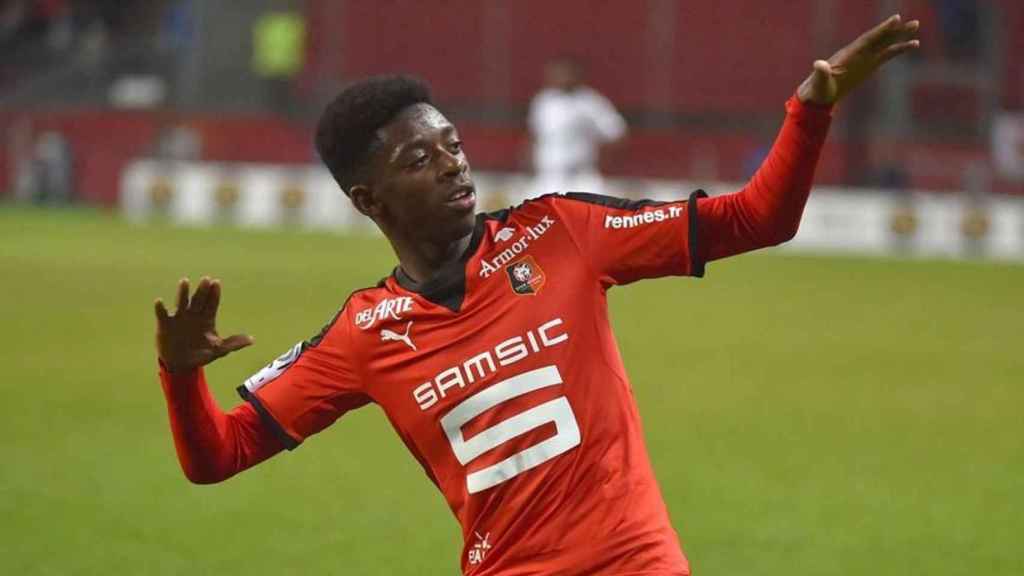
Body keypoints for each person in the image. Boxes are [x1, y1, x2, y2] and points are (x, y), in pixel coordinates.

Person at [155, 16, 919, 576]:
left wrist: (811, 108)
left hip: (636, 563)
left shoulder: (561, 233)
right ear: (368, 199)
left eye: (453, 144)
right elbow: (217, 456)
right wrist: (182, 374)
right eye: (420, 159)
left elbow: (756, 218)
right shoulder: (365, 333)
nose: (454, 166)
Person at [527, 57, 626, 199]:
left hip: (581, 176)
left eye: (565, 74)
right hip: (548, 175)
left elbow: (616, 133)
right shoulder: (543, 100)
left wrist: (600, 157)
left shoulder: (591, 101)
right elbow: (535, 134)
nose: (561, 78)